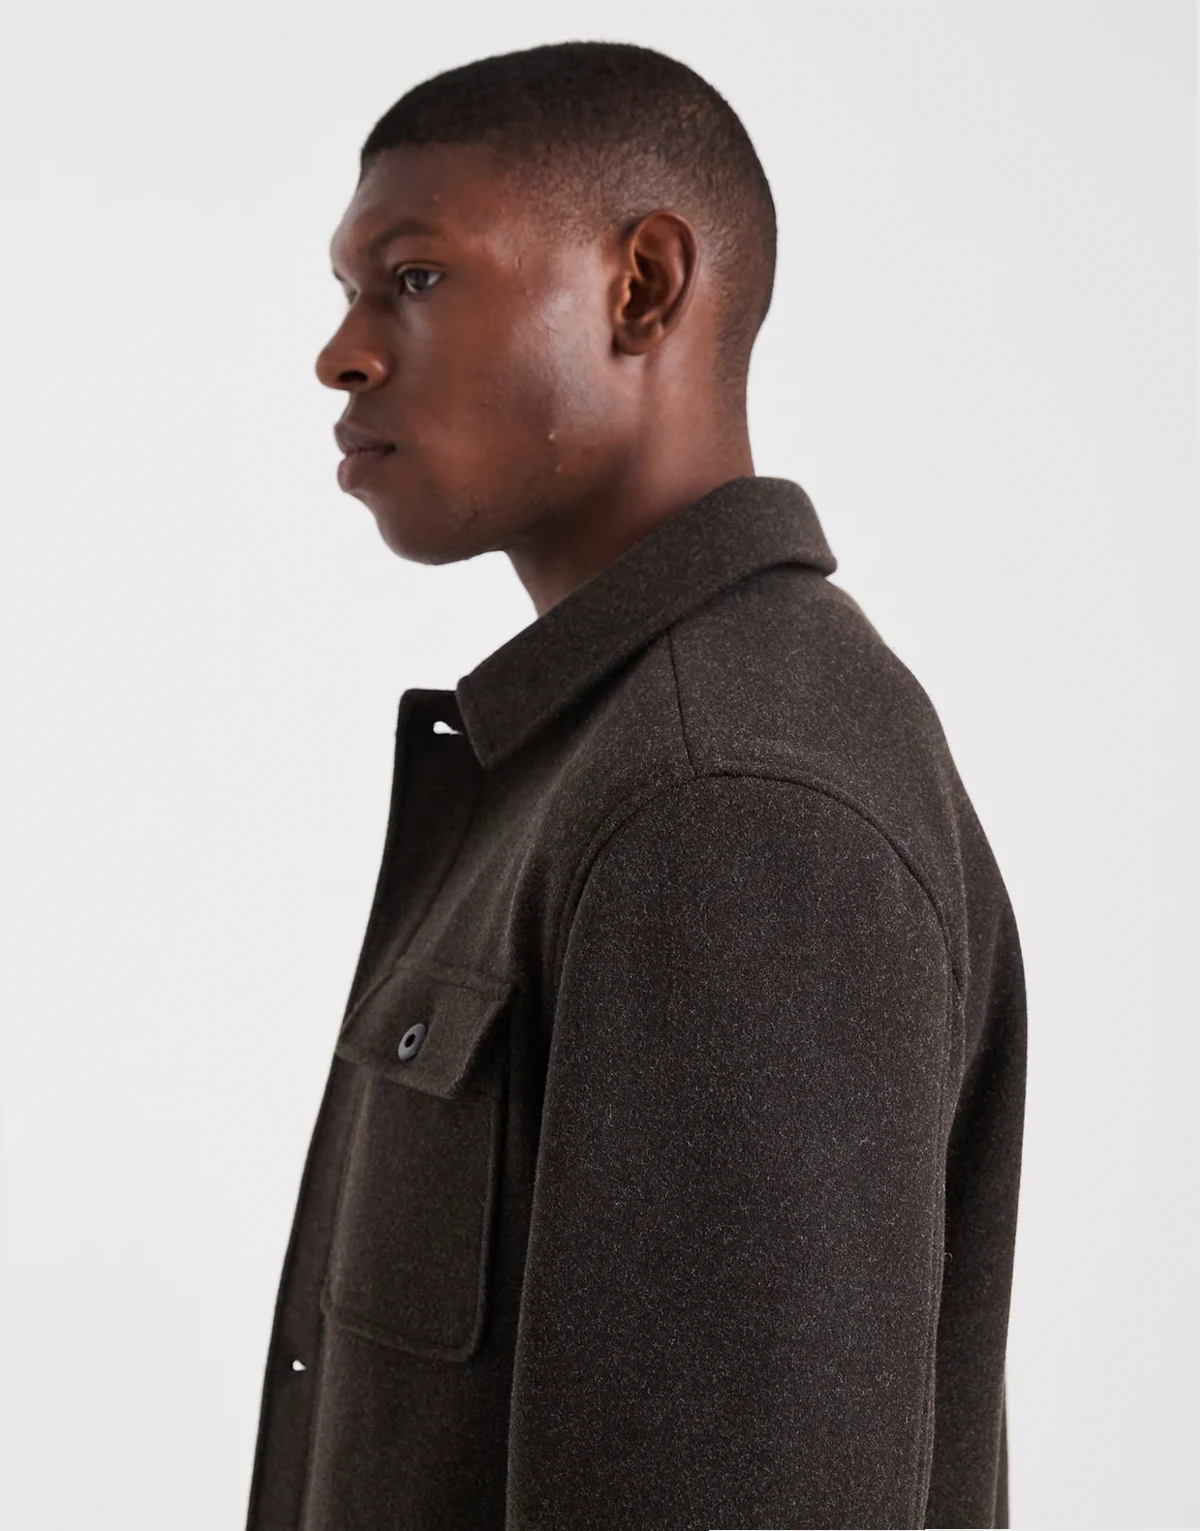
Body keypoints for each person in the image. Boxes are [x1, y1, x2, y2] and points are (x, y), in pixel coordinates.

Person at [245, 39, 1027, 1531]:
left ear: (643, 287)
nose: (341, 353)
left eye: (412, 278)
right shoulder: (613, 755)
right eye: (347, 292)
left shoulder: (725, 800)